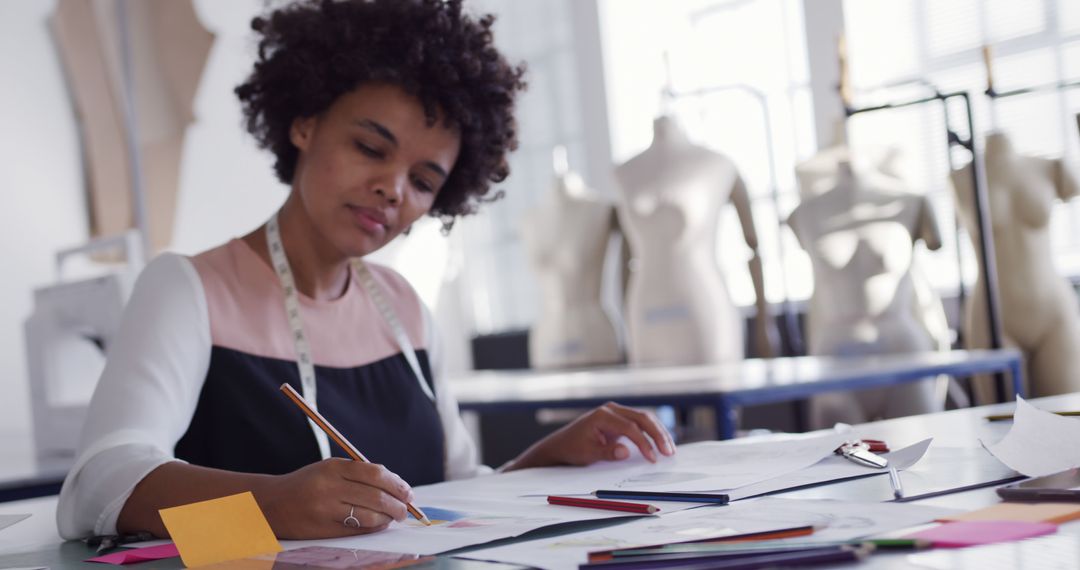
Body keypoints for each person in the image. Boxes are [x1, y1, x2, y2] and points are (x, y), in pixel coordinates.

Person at [57, 0, 675, 542]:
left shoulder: (405, 309)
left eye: (424, 181)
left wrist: (547, 460)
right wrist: (275, 503)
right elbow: (99, 484)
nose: (391, 189)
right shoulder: (188, 290)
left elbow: (449, 499)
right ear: (305, 123)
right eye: (370, 148)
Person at [788, 160, 947, 426]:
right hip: (836, 354)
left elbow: (935, 249)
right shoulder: (803, 213)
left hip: (901, 346)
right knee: (839, 463)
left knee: (924, 455)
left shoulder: (909, 201)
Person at [614, 115, 775, 365]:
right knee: (645, 402)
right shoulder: (623, 174)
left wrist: (765, 322)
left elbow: (752, 245)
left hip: (703, 305)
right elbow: (625, 258)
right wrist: (625, 324)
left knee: (714, 399)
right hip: (645, 311)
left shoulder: (718, 164)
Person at [950, 131, 1080, 403]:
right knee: (1002, 423)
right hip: (994, 313)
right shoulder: (960, 177)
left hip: (1052, 310)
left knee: (1068, 416)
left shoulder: (1049, 167)